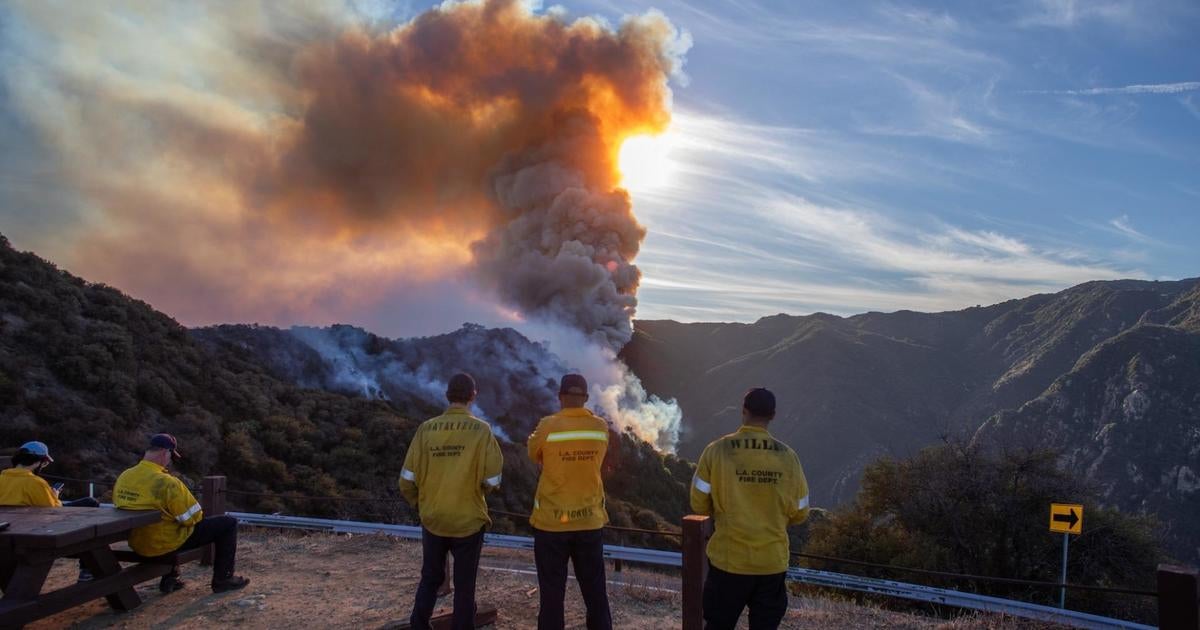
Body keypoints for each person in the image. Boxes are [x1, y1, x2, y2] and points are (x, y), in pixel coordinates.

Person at [690, 387, 810, 630]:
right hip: (771, 563)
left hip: (728, 561)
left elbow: (698, 502)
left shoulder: (717, 450)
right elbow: (801, 511)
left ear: (743, 411)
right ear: (772, 415)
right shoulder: (789, 457)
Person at [400, 373, 504, 630]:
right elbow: (492, 480)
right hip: (468, 520)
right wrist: (475, 494)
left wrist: (421, 504)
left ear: (447, 396)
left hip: (433, 517)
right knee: (465, 584)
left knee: (430, 578)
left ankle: (419, 625)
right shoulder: (482, 430)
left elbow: (406, 480)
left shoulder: (425, 429)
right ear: (473, 396)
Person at [527, 374, 616, 630]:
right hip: (589, 521)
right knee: (595, 593)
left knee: (552, 595)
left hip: (551, 525)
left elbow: (533, 452)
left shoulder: (547, 425)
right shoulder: (600, 427)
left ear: (561, 397)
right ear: (586, 398)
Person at [113, 433, 249, 594]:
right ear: (165, 453)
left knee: (168, 523)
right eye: (171, 456)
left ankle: (171, 577)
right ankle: (223, 579)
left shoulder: (125, 476)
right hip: (163, 545)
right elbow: (193, 518)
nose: (170, 461)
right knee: (228, 524)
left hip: (139, 542)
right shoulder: (167, 483)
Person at [0, 441, 101, 581]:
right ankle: (87, 568)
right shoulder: (35, 483)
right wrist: (54, 495)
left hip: (7, 531)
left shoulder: (2, 479)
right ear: (38, 463)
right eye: (44, 463)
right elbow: (53, 511)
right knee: (90, 503)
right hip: (33, 531)